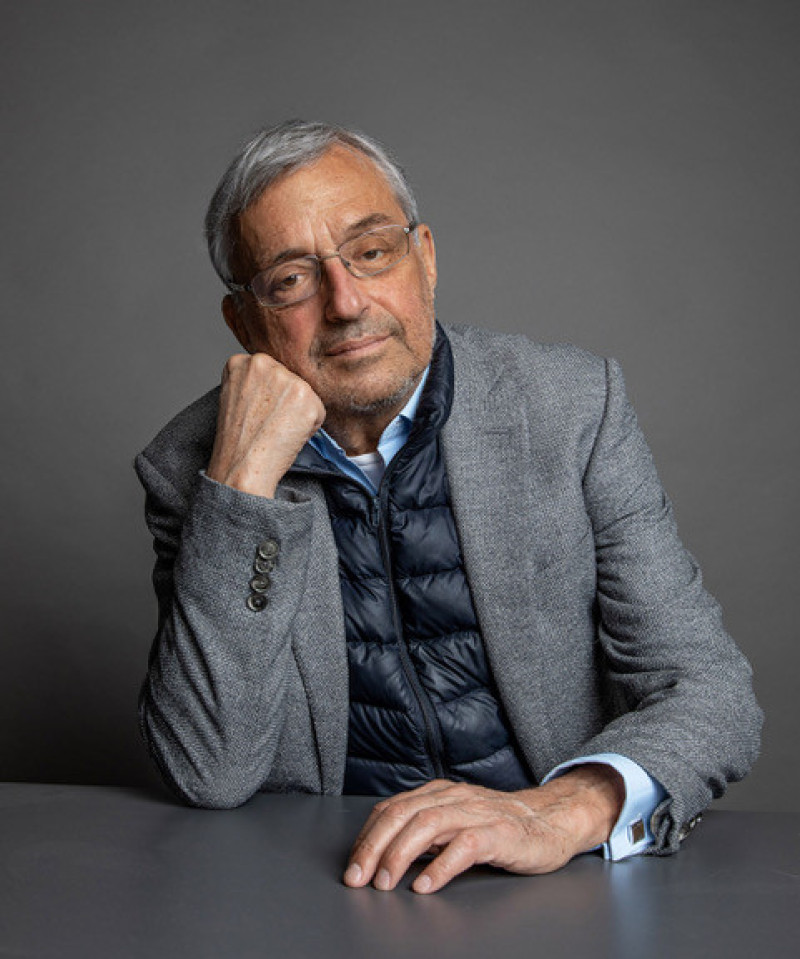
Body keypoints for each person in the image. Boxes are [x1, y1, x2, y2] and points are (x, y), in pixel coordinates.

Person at [135, 119, 762, 894]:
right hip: (328, 888)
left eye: (372, 252)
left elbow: (708, 689)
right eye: (292, 279)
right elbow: (209, 768)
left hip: (560, 885)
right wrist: (239, 487)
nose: (345, 302)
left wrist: (562, 810)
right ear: (243, 321)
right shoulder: (191, 468)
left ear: (425, 258)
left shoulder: (570, 406)